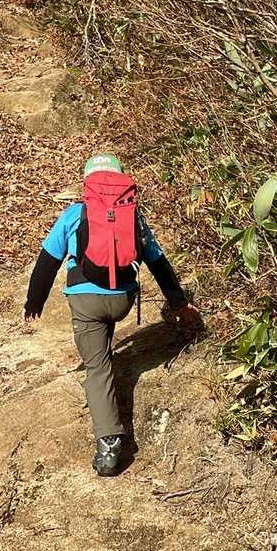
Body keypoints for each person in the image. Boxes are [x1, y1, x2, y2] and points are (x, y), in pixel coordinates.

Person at [23, 153, 200, 476]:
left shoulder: (74, 214)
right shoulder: (134, 217)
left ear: (86, 184)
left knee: (98, 367)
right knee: (104, 330)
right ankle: (104, 352)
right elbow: (159, 263)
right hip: (123, 299)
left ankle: (109, 445)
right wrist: (179, 303)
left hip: (85, 301)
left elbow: (47, 262)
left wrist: (34, 303)